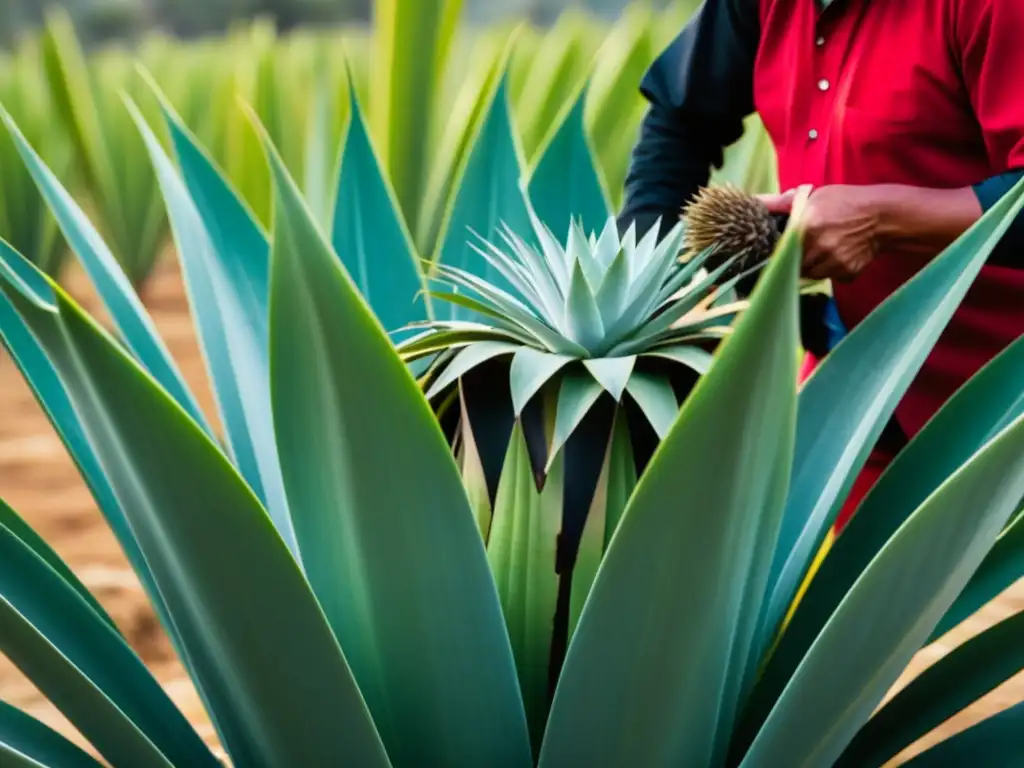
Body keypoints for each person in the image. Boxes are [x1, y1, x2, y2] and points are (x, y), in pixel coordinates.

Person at [617, 0, 1024, 534]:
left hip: (1003, 404)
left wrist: (883, 221)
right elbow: (680, 119)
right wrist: (642, 285)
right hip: (857, 391)